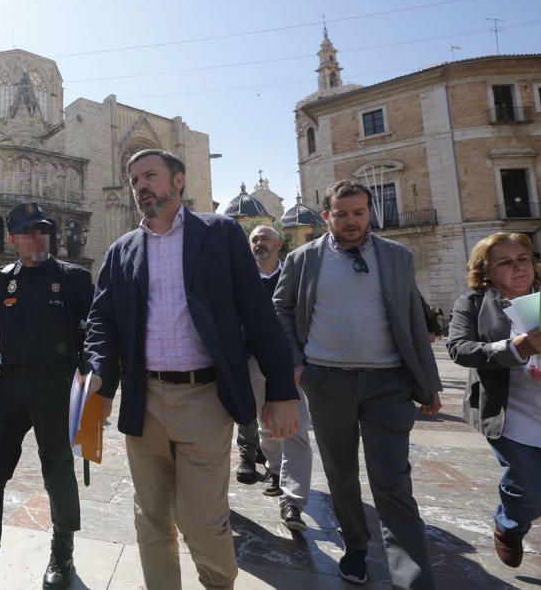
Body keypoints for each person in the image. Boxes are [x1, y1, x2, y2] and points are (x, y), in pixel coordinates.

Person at [84, 150, 300, 590]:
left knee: (203, 521)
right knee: (151, 518)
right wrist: (98, 381)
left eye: (150, 176)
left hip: (204, 397)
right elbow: (101, 324)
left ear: (178, 182)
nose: (141, 185)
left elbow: (257, 313)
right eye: (134, 180)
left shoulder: (218, 234)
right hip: (144, 402)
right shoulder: (122, 251)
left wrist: (281, 390)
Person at [273, 179, 441, 589]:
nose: (351, 221)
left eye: (359, 213)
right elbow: (280, 308)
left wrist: (428, 381)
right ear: (327, 215)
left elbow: (413, 319)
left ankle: (412, 577)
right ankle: (356, 548)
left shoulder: (397, 257)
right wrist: (296, 360)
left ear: (370, 214)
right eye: (341, 213)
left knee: (392, 481)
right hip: (327, 381)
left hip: (390, 384)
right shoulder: (303, 259)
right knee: (341, 472)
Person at [0, 202, 94, 590]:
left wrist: (94, 390)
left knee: (58, 473)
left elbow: (98, 331)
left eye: (43, 229)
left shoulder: (74, 279)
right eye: (28, 231)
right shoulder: (1, 279)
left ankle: (62, 553)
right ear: (13, 240)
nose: (38, 236)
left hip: (57, 390)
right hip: (9, 390)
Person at [447, 232, 541, 569]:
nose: (519, 267)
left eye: (523, 259)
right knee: (528, 488)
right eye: (505, 262)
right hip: (510, 414)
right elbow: (459, 349)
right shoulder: (472, 303)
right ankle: (509, 526)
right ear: (486, 272)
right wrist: (517, 348)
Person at [246, 225, 313, 532]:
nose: (258, 243)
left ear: (279, 244)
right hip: (255, 360)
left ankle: (293, 499)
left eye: (264, 238)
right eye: (254, 239)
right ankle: (274, 469)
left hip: (291, 362)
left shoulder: (295, 275)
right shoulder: (242, 278)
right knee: (266, 423)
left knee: (296, 427)